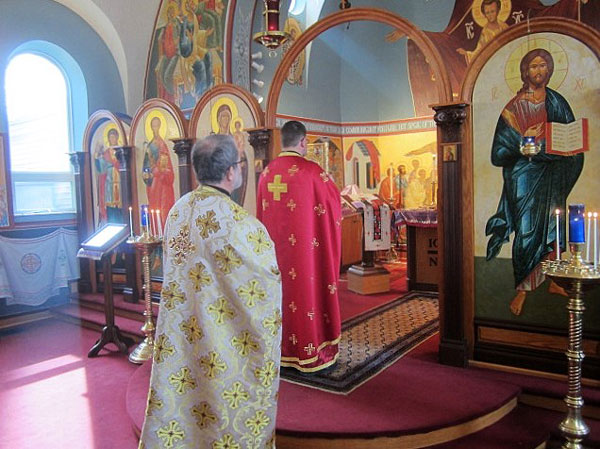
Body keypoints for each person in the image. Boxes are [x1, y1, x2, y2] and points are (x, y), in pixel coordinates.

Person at [139, 134, 282, 448]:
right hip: (221, 335)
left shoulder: (178, 211)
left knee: (187, 396)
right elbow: (266, 282)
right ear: (231, 172)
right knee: (221, 396)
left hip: (183, 330)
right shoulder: (242, 223)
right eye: (239, 165)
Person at [485, 48, 583, 315]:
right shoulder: (513, 108)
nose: (538, 71)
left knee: (553, 229)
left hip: (552, 174)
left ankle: (551, 281)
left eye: (543, 66)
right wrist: (522, 141)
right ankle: (521, 292)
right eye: (533, 66)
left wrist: (569, 147)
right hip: (524, 178)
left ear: (550, 70)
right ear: (525, 71)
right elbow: (498, 153)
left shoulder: (557, 101)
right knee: (527, 233)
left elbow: (569, 136)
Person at [257, 120, 342, 373]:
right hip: (307, 256)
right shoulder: (313, 172)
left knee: (281, 297)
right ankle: (309, 348)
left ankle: (281, 351)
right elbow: (333, 205)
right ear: (303, 142)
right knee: (306, 296)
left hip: (274, 256)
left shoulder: (266, 173)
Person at [142, 116, 175, 230]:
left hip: (163, 185)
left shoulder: (162, 145)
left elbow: (166, 166)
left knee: (163, 212)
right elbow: (146, 166)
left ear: (160, 127)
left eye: (157, 125)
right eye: (153, 126)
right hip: (153, 185)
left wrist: (157, 171)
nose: (155, 128)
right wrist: (146, 174)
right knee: (154, 211)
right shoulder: (149, 146)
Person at [94, 128, 121, 225]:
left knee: (120, 207)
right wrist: (97, 157)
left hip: (120, 183)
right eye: (110, 137)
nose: (112, 139)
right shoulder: (106, 153)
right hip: (109, 184)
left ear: (117, 138)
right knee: (111, 207)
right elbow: (101, 169)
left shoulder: (121, 151)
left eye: (114, 137)